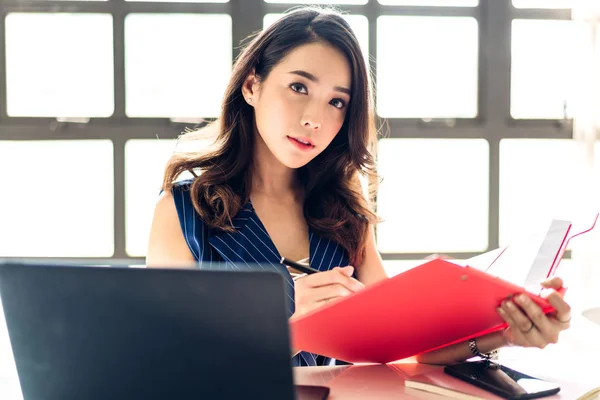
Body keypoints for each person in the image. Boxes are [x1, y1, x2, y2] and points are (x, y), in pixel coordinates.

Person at [146, 6, 572, 367]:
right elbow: (166, 363)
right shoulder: (185, 211)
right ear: (252, 84)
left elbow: (406, 350)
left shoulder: (343, 214)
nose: (315, 117)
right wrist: (281, 325)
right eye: (299, 87)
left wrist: (507, 331)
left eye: (337, 101)